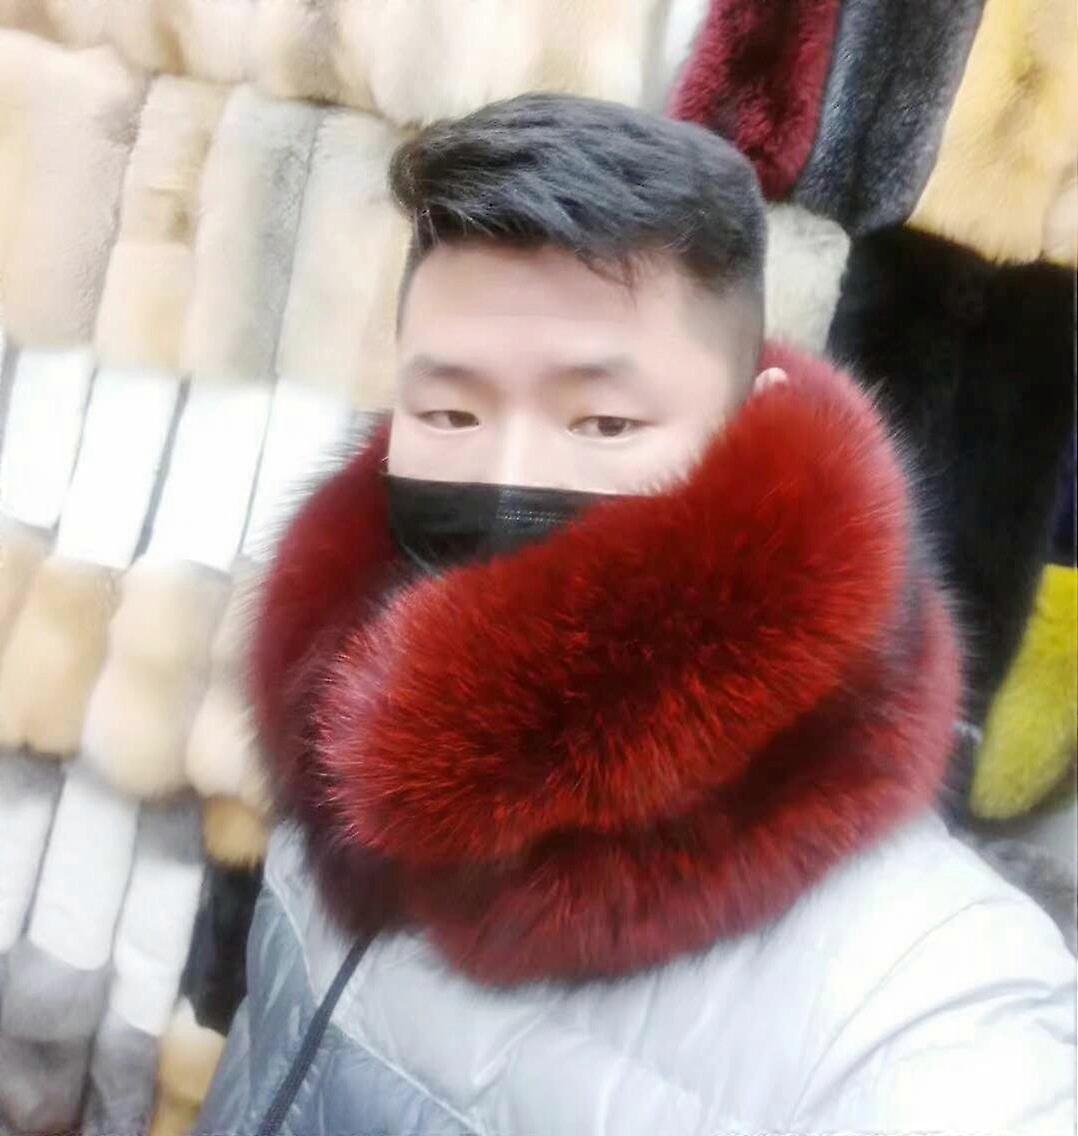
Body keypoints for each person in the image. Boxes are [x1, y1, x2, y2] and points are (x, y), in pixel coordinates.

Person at [197, 94, 1075, 1135]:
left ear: (747, 425)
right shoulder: (345, 739)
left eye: (605, 421)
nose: (509, 473)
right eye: (449, 411)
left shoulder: (920, 999)